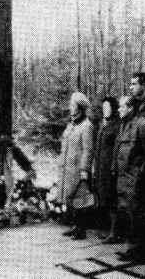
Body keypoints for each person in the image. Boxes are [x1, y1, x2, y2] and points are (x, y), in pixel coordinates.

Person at [113, 96, 145, 260]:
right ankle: (132, 248)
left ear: (130, 108)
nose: (118, 109)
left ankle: (139, 250)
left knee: (137, 215)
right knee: (127, 215)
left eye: (122, 106)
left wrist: (139, 176)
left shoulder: (143, 125)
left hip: (135, 181)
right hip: (123, 179)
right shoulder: (124, 125)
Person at [59, 92, 95, 240]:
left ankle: (81, 229)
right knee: (70, 198)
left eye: (73, 105)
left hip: (78, 169)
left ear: (80, 108)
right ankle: (75, 226)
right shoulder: (71, 125)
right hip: (67, 168)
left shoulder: (87, 126)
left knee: (81, 199)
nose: (70, 108)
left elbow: (88, 149)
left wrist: (84, 169)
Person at [93, 97, 121, 243]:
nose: (105, 110)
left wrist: (113, 166)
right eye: (103, 107)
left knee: (112, 199)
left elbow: (116, 148)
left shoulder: (117, 126)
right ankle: (106, 228)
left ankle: (114, 232)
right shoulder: (102, 125)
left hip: (110, 167)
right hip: (100, 168)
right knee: (102, 196)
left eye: (108, 107)